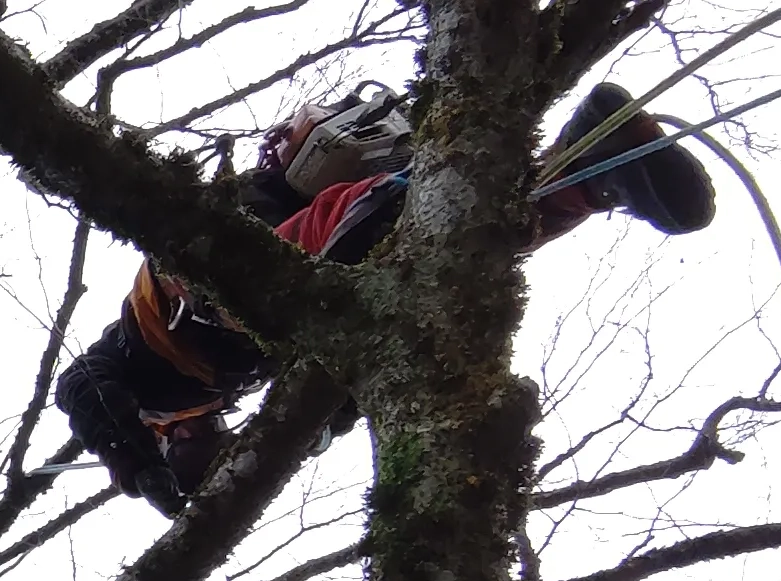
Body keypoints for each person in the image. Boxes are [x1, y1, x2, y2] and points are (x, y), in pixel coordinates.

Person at [54, 78, 715, 515]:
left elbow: (81, 384)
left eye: (191, 456)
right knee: (464, 248)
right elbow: (335, 377)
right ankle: (588, 169)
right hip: (267, 287)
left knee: (318, 254)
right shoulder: (231, 391)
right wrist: (325, 421)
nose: (205, 446)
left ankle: (398, 200)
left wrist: (133, 462)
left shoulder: (139, 387)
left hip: (209, 278)